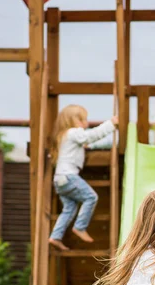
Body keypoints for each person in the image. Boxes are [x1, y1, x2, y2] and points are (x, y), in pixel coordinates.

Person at [49, 105, 118, 250]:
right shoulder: (74, 132)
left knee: (69, 209)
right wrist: (111, 124)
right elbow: (91, 136)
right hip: (69, 177)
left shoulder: (64, 136)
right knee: (91, 197)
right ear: (73, 120)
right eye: (84, 120)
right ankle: (80, 227)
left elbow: (87, 143)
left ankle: (55, 236)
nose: (86, 123)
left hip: (59, 180)